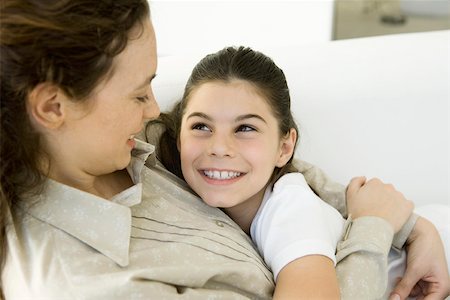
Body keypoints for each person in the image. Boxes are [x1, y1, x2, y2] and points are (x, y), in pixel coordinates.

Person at [0, 0, 448, 299]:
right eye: (138, 94)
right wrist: (373, 229)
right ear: (53, 107)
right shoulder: (94, 283)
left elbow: (275, 173)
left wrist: (413, 227)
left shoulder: (137, 147)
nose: (155, 109)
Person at [152, 46, 450, 299]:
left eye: (245, 128)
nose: (219, 147)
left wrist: (387, 226)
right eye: (201, 126)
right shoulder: (173, 173)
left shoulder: (290, 212)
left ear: (285, 148)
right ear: (178, 138)